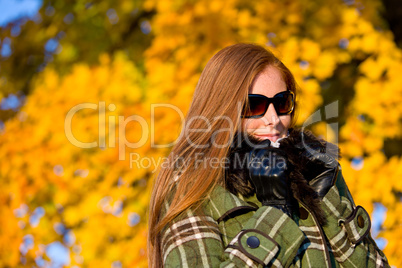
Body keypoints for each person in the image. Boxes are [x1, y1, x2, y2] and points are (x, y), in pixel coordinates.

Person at [147, 43, 389, 267]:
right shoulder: (193, 188)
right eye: (255, 106)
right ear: (222, 110)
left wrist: (326, 200)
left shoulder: (314, 171)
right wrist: (276, 210)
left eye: (282, 103)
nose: (274, 119)